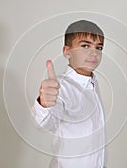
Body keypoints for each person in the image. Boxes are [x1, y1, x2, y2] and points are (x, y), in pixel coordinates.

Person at [31, 20, 106, 168]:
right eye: (85, 45)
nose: (94, 52)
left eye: (99, 47)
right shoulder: (61, 87)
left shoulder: (92, 84)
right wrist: (44, 104)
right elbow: (46, 123)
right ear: (67, 51)